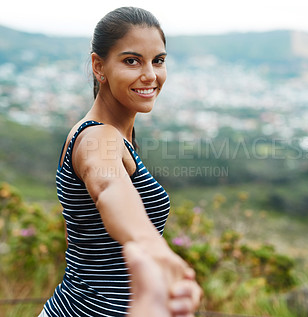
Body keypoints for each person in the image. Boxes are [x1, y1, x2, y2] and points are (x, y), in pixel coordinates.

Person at [39, 6, 201, 317]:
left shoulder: (119, 136)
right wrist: (151, 247)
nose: (150, 75)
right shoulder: (97, 137)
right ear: (99, 66)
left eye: (159, 60)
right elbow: (109, 187)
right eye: (132, 61)